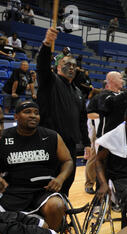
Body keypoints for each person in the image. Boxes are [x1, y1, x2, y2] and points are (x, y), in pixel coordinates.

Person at [0, 101, 74, 230]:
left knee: (56, 205)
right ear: (16, 116)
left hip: (43, 190)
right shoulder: (4, 137)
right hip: (13, 190)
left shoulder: (51, 136)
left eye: (36, 113)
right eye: (27, 112)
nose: (33, 115)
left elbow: (68, 161)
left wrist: (60, 178)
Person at [36, 28, 91, 196]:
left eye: (74, 66)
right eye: (67, 65)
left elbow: (82, 120)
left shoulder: (78, 92)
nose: (72, 68)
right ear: (58, 67)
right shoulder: (50, 82)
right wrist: (46, 44)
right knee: (49, 183)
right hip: (49, 142)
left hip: (70, 145)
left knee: (68, 181)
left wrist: (87, 143)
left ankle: (61, 217)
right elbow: (42, 65)